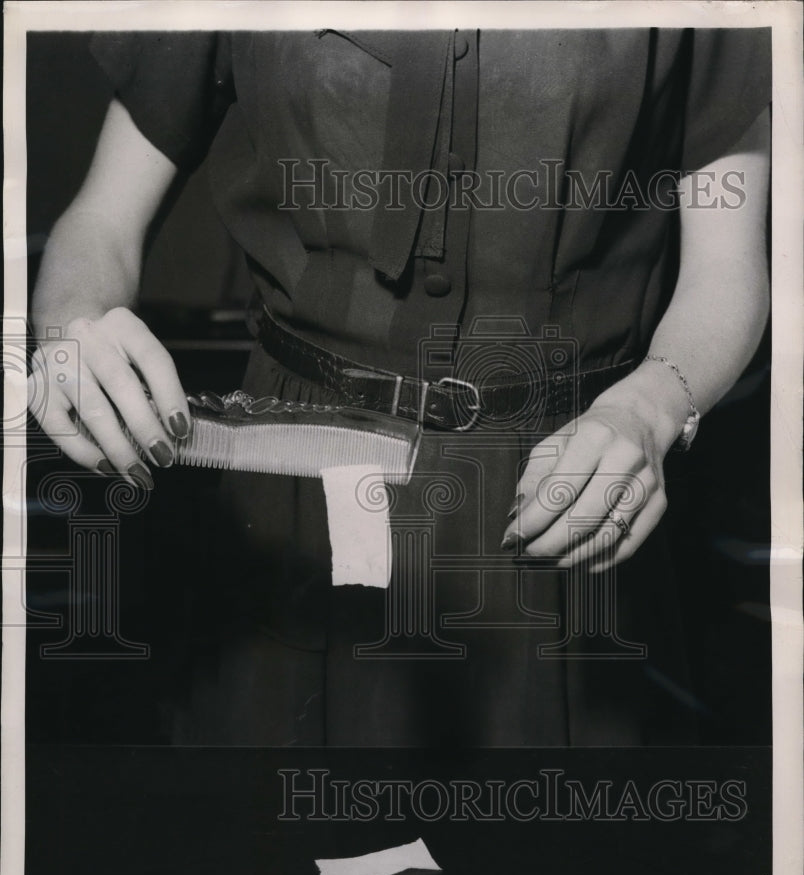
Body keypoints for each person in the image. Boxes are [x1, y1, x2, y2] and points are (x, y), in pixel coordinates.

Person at [28, 28, 771, 747]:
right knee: (268, 852)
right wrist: (72, 324)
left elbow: (727, 272)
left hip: (569, 496)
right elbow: (101, 222)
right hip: (287, 499)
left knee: (554, 862)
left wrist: (651, 406)